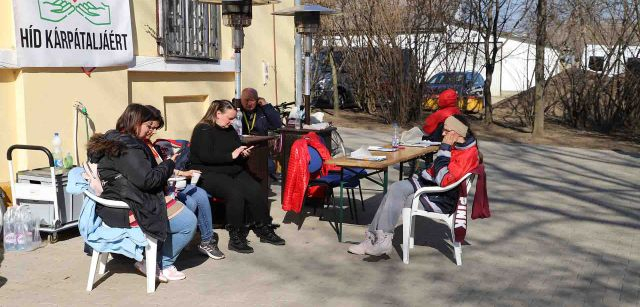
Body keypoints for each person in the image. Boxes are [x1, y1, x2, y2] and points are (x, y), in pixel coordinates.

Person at [87, 104, 197, 281]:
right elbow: (148, 181)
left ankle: (156, 256)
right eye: (149, 126)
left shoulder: (115, 139)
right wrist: (169, 164)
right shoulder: (128, 148)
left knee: (187, 205)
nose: (151, 131)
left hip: (117, 202)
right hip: (128, 207)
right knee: (188, 222)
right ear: (135, 122)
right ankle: (160, 263)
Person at [348, 114, 480, 256]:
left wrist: (444, 149)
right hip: (430, 186)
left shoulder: (467, 154)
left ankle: (381, 240)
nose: (442, 133)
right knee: (394, 189)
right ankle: (374, 240)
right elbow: (436, 172)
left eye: (446, 131)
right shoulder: (458, 146)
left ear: (456, 133)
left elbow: (444, 180)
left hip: (441, 198)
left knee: (396, 192)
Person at [189, 99, 285, 254]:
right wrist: (231, 155)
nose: (232, 121)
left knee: (256, 189)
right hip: (208, 172)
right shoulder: (203, 129)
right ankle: (236, 235)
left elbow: (235, 149)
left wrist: (242, 153)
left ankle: (263, 228)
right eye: (230, 118)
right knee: (235, 193)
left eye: (233, 118)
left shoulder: (229, 129)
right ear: (218, 114)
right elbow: (205, 156)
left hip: (231, 169)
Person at [144, 105, 225, 260]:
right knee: (191, 203)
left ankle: (206, 241)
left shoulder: (149, 144)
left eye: (155, 128)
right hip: (163, 188)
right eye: (151, 127)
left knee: (200, 194)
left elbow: (162, 168)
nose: (153, 132)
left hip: (170, 182)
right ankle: (178, 243)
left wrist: (183, 173)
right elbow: (152, 174)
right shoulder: (139, 147)